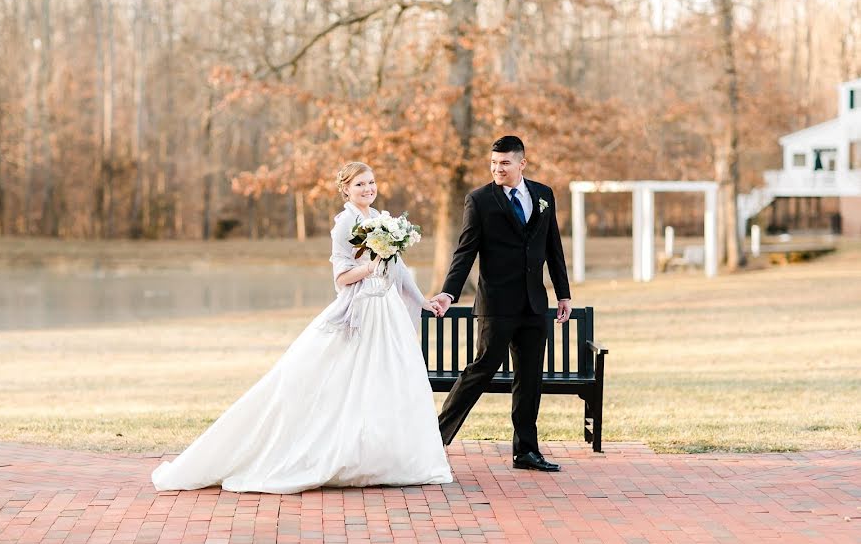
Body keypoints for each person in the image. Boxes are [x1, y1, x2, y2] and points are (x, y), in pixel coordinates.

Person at [152, 162, 452, 493]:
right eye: (360, 184)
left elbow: (399, 269)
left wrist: (422, 300)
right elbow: (341, 277)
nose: (368, 188)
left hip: (386, 312)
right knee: (336, 384)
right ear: (346, 190)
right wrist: (370, 267)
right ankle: (334, 455)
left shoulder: (379, 219)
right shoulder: (345, 225)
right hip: (361, 312)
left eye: (371, 182)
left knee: (387, 382)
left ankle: (385, 459)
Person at [431, 136, 572, 472]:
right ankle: (434, 439)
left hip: (534, 304)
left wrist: (563, 293)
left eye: (505, 163)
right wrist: (449, 293)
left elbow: (553, 246)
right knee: (480, 370)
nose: (498, 169)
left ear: (522, 163)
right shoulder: (479, 200)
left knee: (530, 377)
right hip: (496, 304)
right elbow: (465, 251)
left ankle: (526, 451)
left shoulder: (543, 196)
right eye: (493, 163)